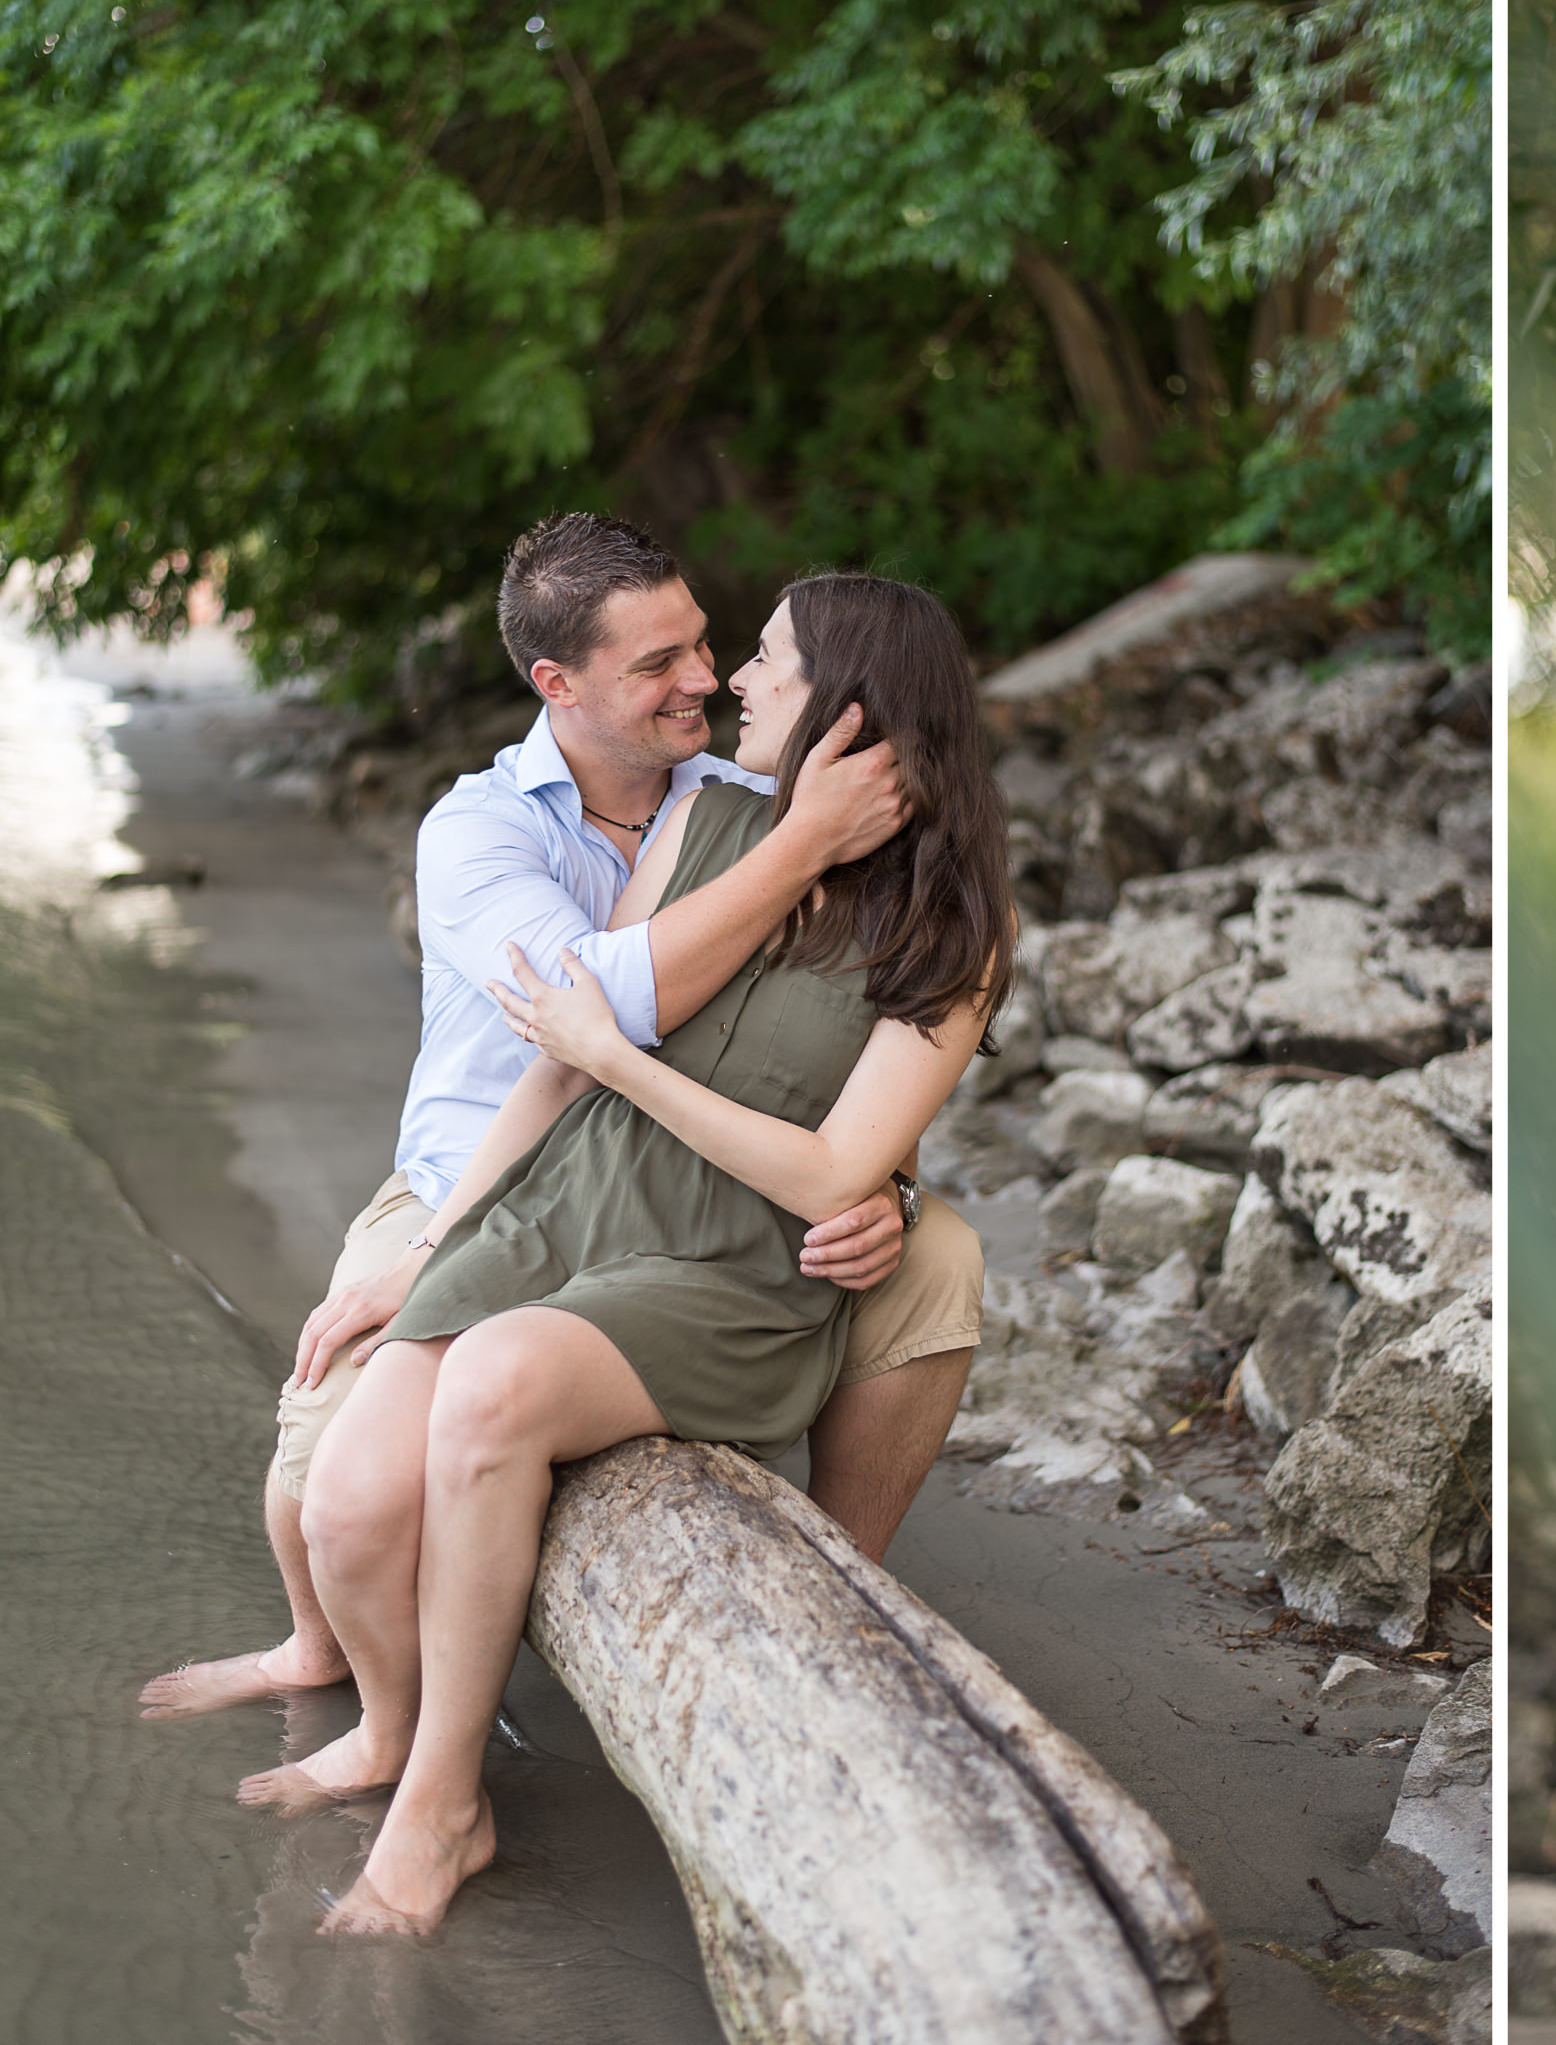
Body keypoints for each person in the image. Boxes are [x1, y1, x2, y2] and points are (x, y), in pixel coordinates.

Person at [139, 516, 983, 1727]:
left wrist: (885, 1190)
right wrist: (799, 845)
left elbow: (834, 1029)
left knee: (943, 1255)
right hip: (480, 1170)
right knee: (328, 1470)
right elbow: (595, 1021)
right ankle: (316, 1650)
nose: (703, 679)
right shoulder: (483, 829)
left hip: (695, 1171)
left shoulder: (751, 788)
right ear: (559, 684)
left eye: (704, 644)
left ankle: (837, 1598)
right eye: (658, 665)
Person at [280, 571, 1015, 1933]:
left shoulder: (954, 930)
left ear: (850, 714)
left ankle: (445, 1805)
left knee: (494, 1385)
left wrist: (624, 1061)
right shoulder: (716, 818)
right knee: (349, 1495)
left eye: (772, 665)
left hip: (733, 1263)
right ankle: (396, 1730)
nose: (736, 680)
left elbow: (833, 1170)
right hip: (563, 1196)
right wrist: (438, 1243)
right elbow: (556, 1072)